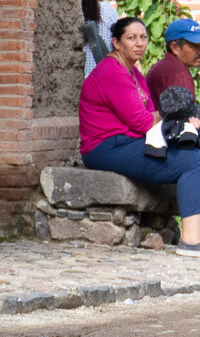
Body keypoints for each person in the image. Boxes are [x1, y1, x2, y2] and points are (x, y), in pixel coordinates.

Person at [81, 15, 200, 255]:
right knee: (193, 161)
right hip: (105, 147)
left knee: (192, 152)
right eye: (131, 38)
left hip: (127, 142)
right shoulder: (111, 72)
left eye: (143, 37)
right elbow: (144, 121)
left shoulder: (133, 73)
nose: (139, 43)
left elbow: (149, 114)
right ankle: (191, 242)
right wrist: (171, 116)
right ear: (116, 42)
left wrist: (165, 117)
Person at [148, 18, 200, 105]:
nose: (199, 51)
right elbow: (186, 116)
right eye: (194, 46)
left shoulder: (170, 65)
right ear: (174, 47)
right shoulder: (177, 74)